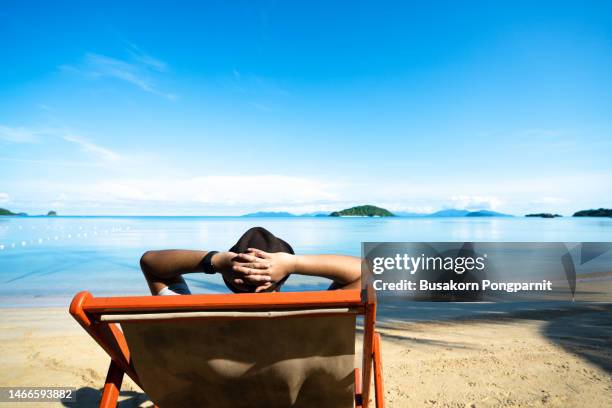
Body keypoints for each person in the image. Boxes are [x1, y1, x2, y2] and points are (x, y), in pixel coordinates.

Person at [140, 226, 361, 295]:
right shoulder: (316, 318)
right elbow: (378, 271)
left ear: (229, 279)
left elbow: (150, 263)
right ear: (282, 278)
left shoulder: (192, 318)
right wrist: (293, 263)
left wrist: (216, 261)